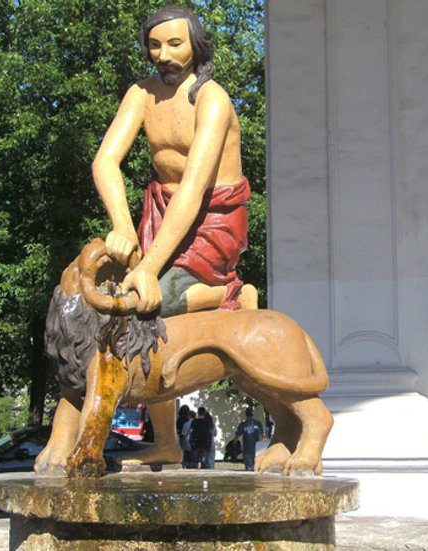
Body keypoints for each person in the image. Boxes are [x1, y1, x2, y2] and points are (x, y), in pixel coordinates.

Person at [95, 6, 257, 466]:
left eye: (174, 44)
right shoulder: (141, 94)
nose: (163, 55)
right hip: (160, 212)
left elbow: (194, 187)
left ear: (195, 45)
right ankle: (165, 441)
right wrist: (122, 226)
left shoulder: (212, 99)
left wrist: (148, 268)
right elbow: (105, 161)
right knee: (119, 306)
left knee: (151, 303)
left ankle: (227, 292)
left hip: (212, 219)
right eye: (154, 45)